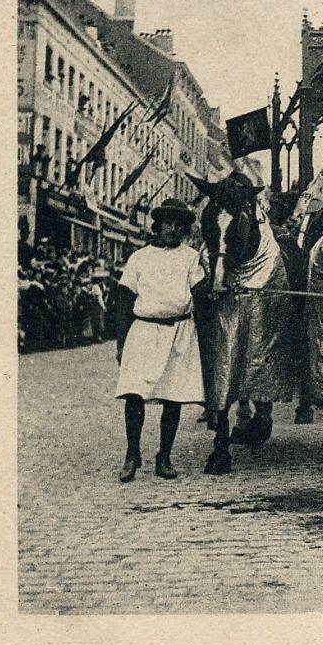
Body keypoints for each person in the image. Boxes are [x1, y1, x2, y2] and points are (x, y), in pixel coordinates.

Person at [111, 199, 209, 482]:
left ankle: (164, 456)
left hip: (178, 332)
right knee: (133, 394)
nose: (172, 229)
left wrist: (215, 281)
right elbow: (124, 300)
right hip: (143, 331)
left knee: (173, 397)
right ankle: (132, 455)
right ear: (157, 226)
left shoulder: (190, 257)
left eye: (179, 225)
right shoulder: (139, 258)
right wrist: (121, 342)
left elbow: (200, 291)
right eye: (168, 223)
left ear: (184, 229)